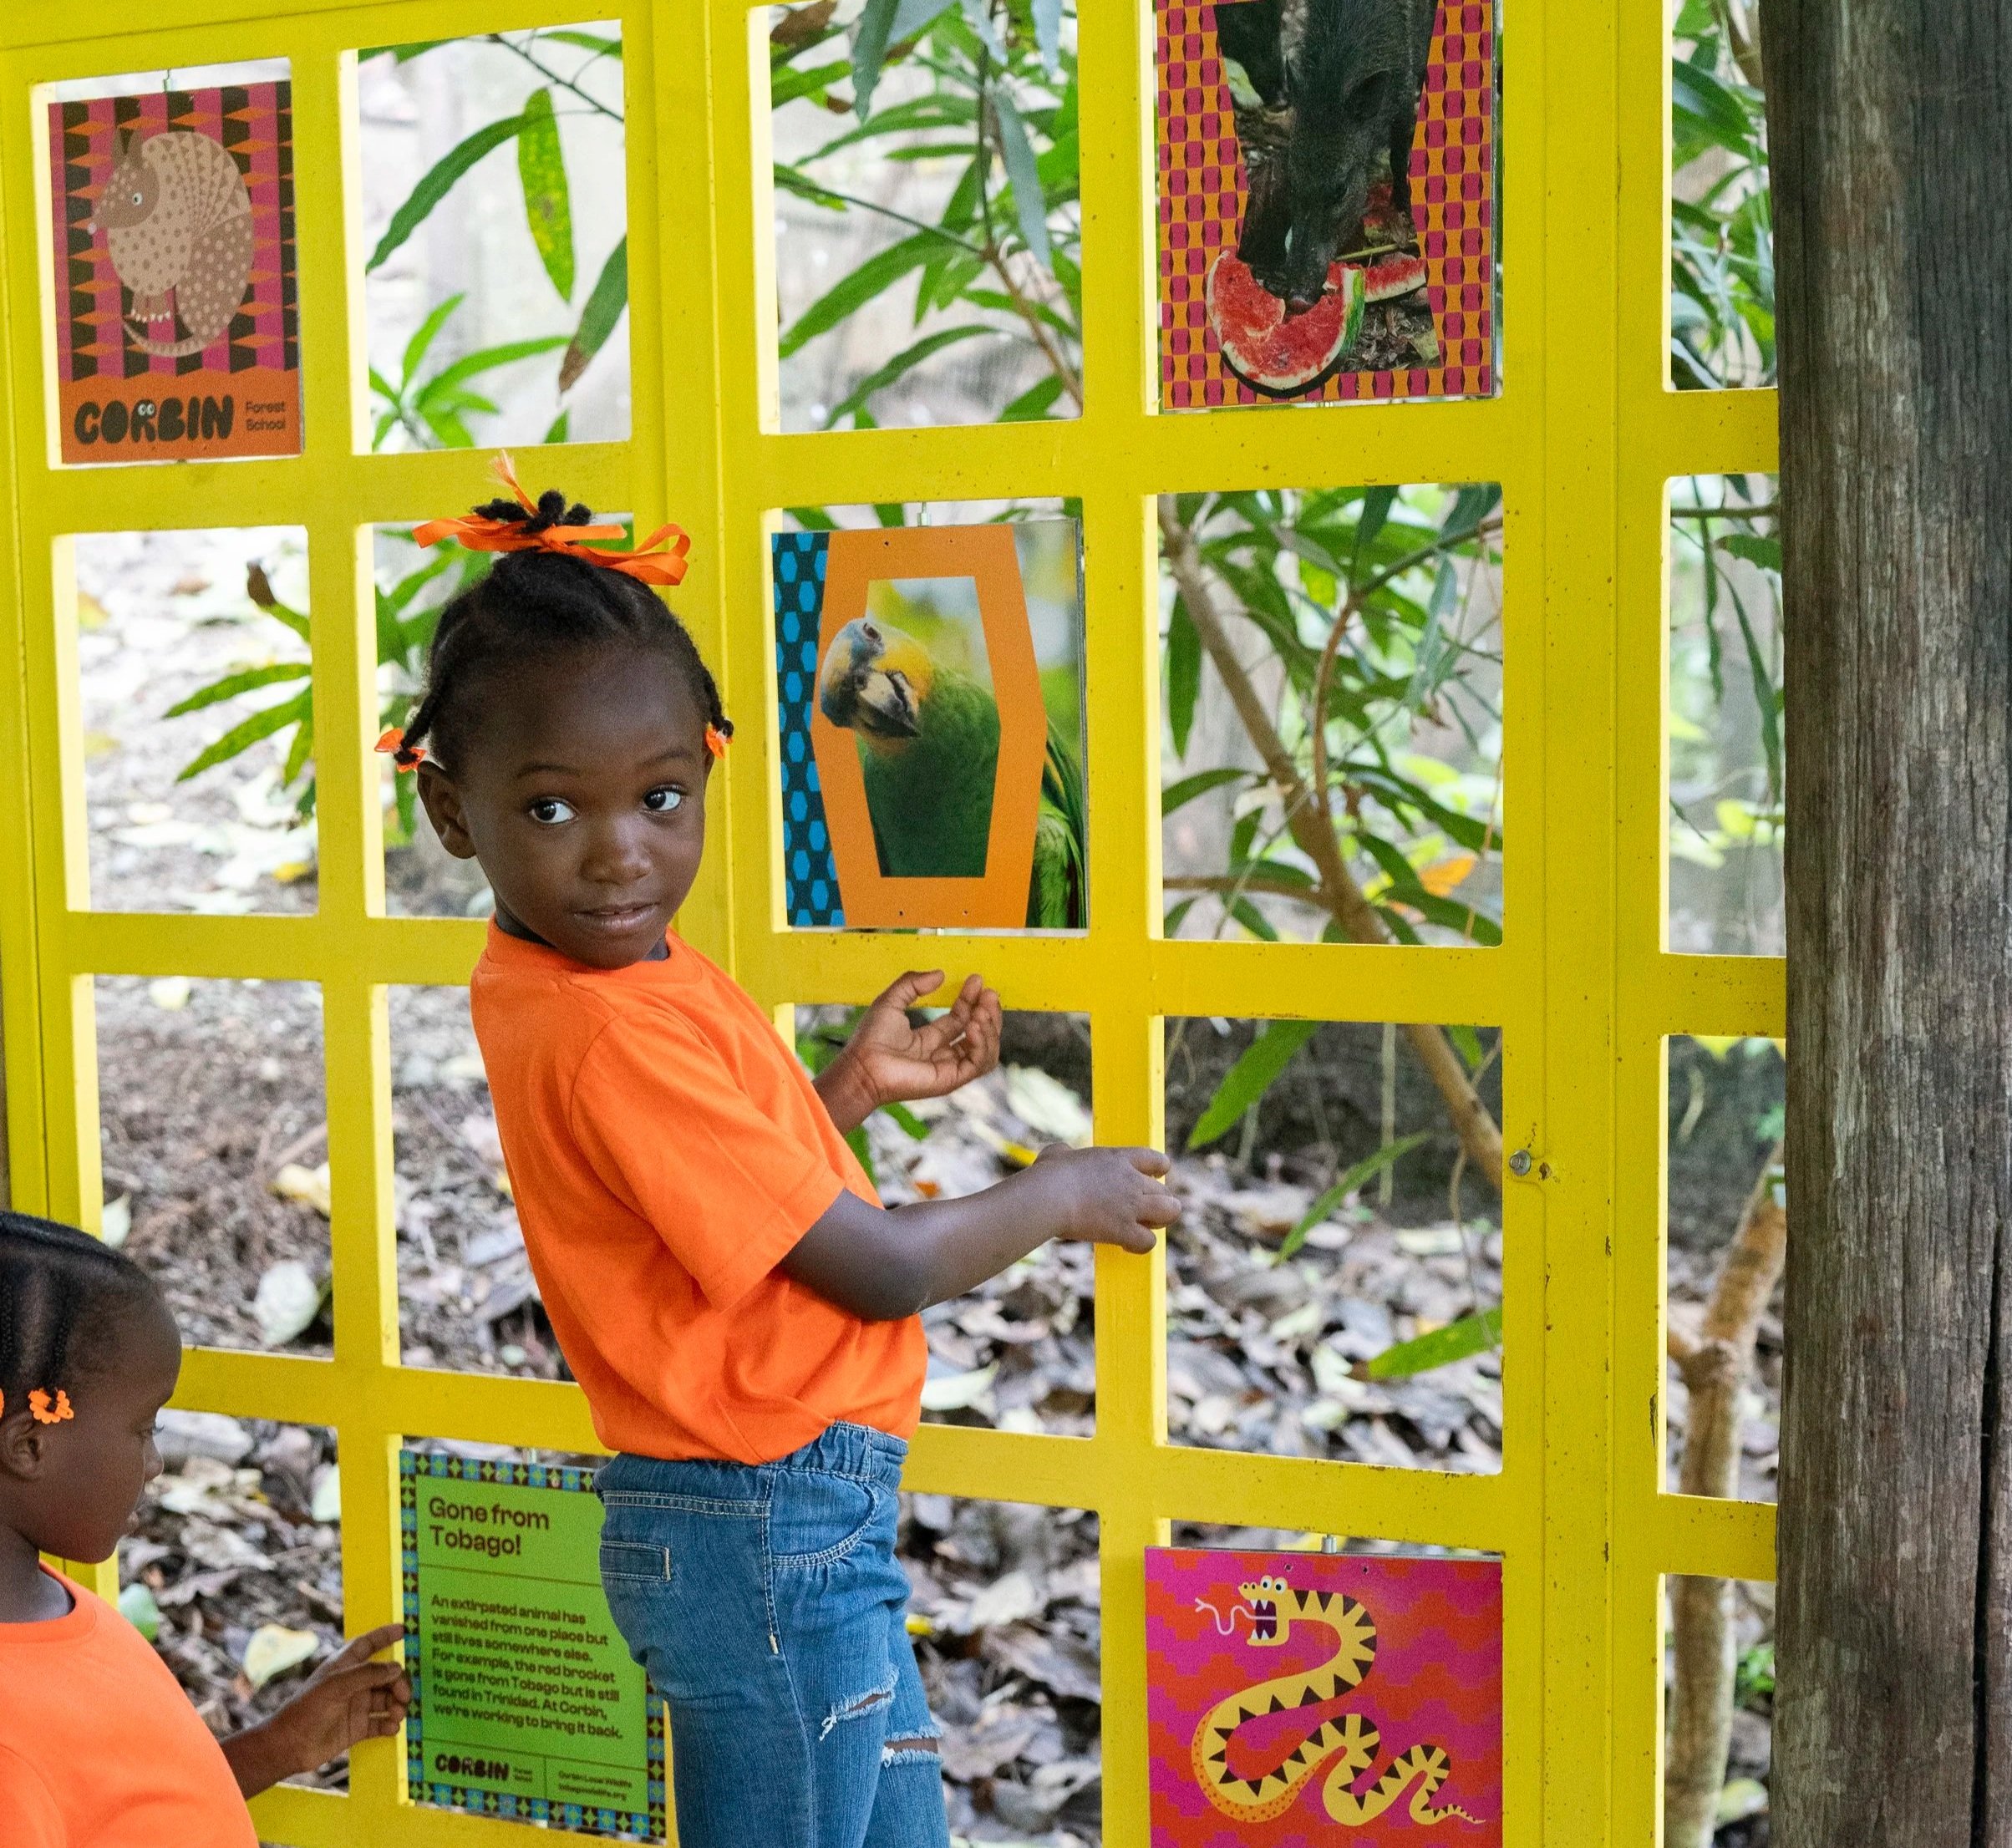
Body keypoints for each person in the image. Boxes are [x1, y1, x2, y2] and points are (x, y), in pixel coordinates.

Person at [386, 464, 1179, 1848]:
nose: (622, 854)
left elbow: (710, 1186)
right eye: (555, 811)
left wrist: (848, 1088)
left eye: (662, 798)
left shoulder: (583, 975)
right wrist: (1061, 1190)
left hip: (781, 1519)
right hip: (762, 1528)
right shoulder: (606, 1019)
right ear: (458, 815)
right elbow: (870, 1269)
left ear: (707, 767)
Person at [0, 1211, 409, 1845]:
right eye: (143, 1428)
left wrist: (280, 1746)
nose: (156, 1463)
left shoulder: (49, 1603)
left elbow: (123, 1812)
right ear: (29, 1446)